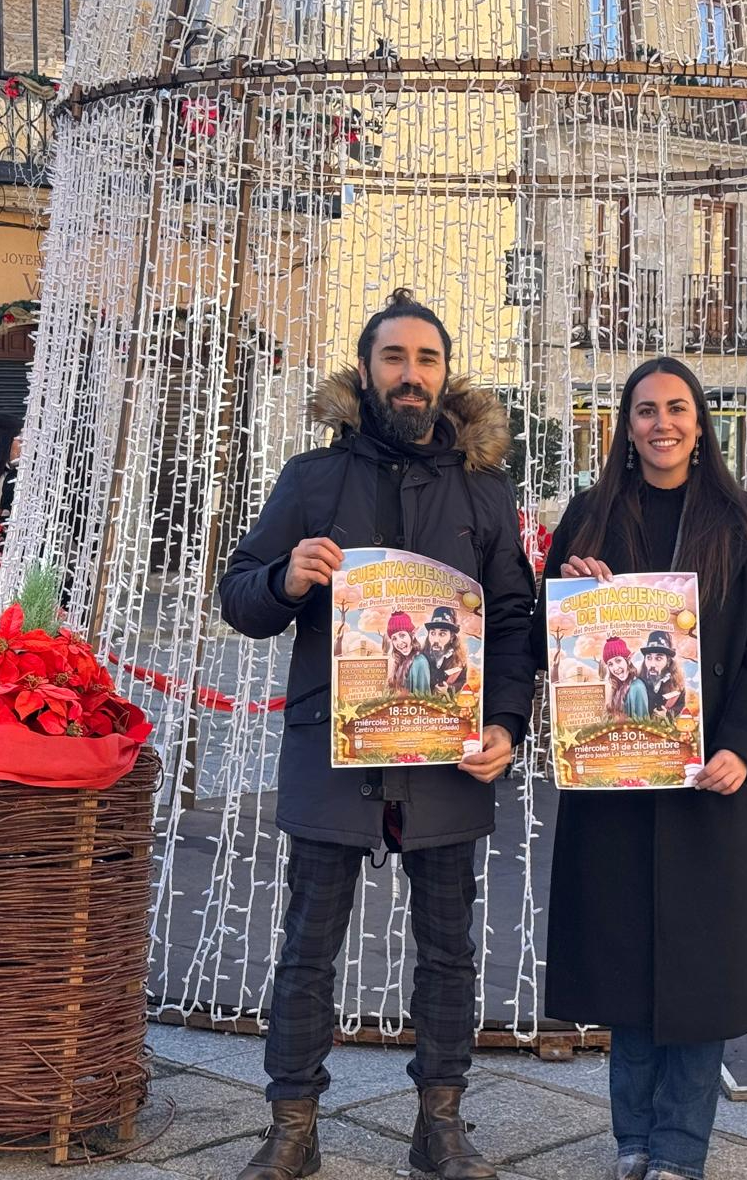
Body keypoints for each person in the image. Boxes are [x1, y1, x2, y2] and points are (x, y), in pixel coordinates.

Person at [218, 289, 535, 1180]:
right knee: (309, 942)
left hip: (447, 761)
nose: (410, 375)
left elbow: (512, 621)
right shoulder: (313, 480)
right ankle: (291, 1127)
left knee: (448, 948)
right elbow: (238, 594)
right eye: (394, 358)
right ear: (367, 371)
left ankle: (441, 1123)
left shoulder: (486, 490)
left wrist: (508, 722)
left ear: (446, 373)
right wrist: (285, 577)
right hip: (334, 753)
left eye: (425, 359)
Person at [537, 357, 747, 1180]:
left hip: (710, 783)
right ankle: (632, 1140)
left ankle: (680, 1151)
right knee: (627, 967)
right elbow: (556, 643)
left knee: (701, 972)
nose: (662, 424)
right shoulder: (589, 515)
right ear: (626, 424)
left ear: (701, 421)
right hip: (618, 781)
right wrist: (567, 586)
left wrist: (744, 750)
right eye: (646, 410)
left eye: (677, 408)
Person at [638, 630, 686, 721]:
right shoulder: (638, 681)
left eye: (658, 658)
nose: (652, 664)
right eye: (649, 658)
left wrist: (667, 715)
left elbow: (679, 706)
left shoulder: (677, 684)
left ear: (668, 661)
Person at [602, 638, 651, 719]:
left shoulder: (637, 687)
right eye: (610, 664)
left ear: (628, 660)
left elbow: (643, 723)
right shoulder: (617, 686)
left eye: (618, 661)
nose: (615, 668)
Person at [423, 606, 466, 696]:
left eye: (442, 634)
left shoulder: (459, 661)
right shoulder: (421, 656)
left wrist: (448, 689)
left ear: (452, 637)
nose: (436, 640)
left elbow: (461, 681)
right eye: (433, 633)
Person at [387, 610, 432, 694]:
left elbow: (423, 698)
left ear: (412, 635)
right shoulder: (399, 660)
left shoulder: (420, 661)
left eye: (402, 635)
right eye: (394, 638)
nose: (399, 642)